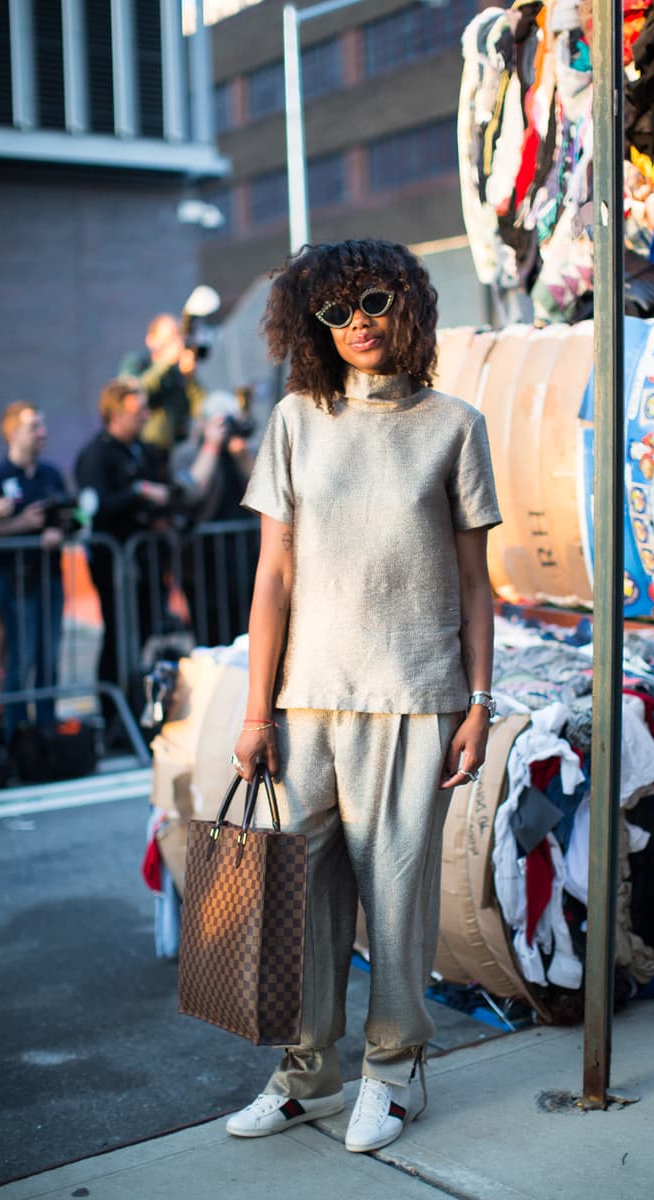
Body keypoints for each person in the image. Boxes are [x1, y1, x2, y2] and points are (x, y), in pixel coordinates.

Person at [226, 239, 502, 1153]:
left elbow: (474, 585)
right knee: (301, 904)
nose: (357, 326)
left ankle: (394, 1072)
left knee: (397, 900)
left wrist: (479, 702)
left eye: (372, 301)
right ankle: (308, 1075)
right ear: (313, 327)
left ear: (408, 303)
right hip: (307, 703)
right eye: (334, 313)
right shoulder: (296, 422)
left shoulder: (455, 425)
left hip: (415, 697)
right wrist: (256, 710)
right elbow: (272, 577)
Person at [74, 379, 173, 734]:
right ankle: (114, 718)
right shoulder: (97, 455)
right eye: (137, 410)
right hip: (113, 563)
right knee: (117, 636)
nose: (145, 416)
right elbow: (95, 509)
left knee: (144, 634)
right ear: (115, 414)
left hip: (145, 562)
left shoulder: (142, 450)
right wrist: (139, 493)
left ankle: (138, 710)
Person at [0, 403, 69, 738]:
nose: (42, 433)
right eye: (33, 427)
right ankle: (13, 735)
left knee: (48, 658)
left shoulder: (51, 475)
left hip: (49, 576)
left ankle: (46, 733)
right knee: (20, 659)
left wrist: (61, 530)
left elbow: (75, 515)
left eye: (43, 426)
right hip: (15, 581)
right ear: (13, 433)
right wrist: (20, 524)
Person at [171, 390, 257, 647]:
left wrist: (241, 455)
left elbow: (265, 492)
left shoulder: (244, 451)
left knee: (245, 630)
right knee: (210, 633)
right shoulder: (188, 452)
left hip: (245, 557)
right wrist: (211, 445)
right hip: (201, 562)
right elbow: (191, 492)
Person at [119, 313, 204, 453]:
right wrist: (166, 362)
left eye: (177, 337)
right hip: (144, 448)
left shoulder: (177, 373)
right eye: (169, 338)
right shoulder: (136, 362)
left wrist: (190, 378)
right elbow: (131, 392)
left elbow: (199, 408)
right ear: (150, 340)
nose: (175, 344)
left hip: (176, 449)